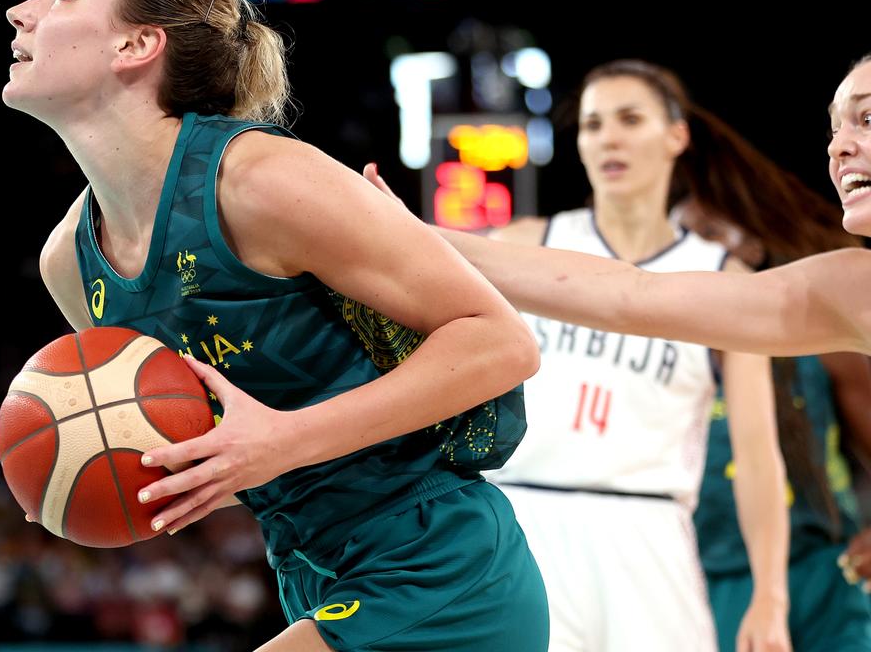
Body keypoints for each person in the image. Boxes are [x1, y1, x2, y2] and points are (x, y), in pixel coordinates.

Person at [3, 0, 546, 652]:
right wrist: (86, 476)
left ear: (136, 45)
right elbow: (213, 452)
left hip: (435, 564)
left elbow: (501, 344)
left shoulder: (256, 180)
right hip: (312, 574)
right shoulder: (68, 262)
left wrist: (282, 442)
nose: (22, 11)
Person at [380, 59, 794, 651]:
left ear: (677, 136)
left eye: (630, 119)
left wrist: (770, 598)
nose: (609, 138)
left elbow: (758, 456)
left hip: (650, 532)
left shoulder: (723, 275)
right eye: (594, 124)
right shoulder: (525, 244)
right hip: (524, 520)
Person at [364, 54, 871, 358]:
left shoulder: (727, 261)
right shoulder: (851, 285)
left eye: (866, 120)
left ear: (677, 137)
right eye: (834, 128)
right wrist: (412, 232)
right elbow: (632, 295)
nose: (838, 146)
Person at [675, 200, 871, 651]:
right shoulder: (671, 351)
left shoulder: (822, 340)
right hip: (711, 572)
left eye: (710, 229)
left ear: (753, 241)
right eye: (687, 233)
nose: (698, 246)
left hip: (821, 569)